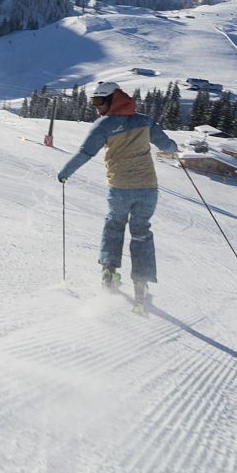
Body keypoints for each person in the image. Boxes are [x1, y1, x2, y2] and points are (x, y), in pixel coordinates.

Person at [57, 81, 178, 308]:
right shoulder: (143, 121)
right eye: (93, 101)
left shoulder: (103, 126)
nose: (96, 107)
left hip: (120, 188)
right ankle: (140, 283)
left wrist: (65, 173)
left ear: (113, 99)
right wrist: (174, 149)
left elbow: (85, 153)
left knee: (114, 225)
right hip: (148, 188)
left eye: (99, 101)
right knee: (141, 231)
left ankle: (109, 272)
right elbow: (166, 145)